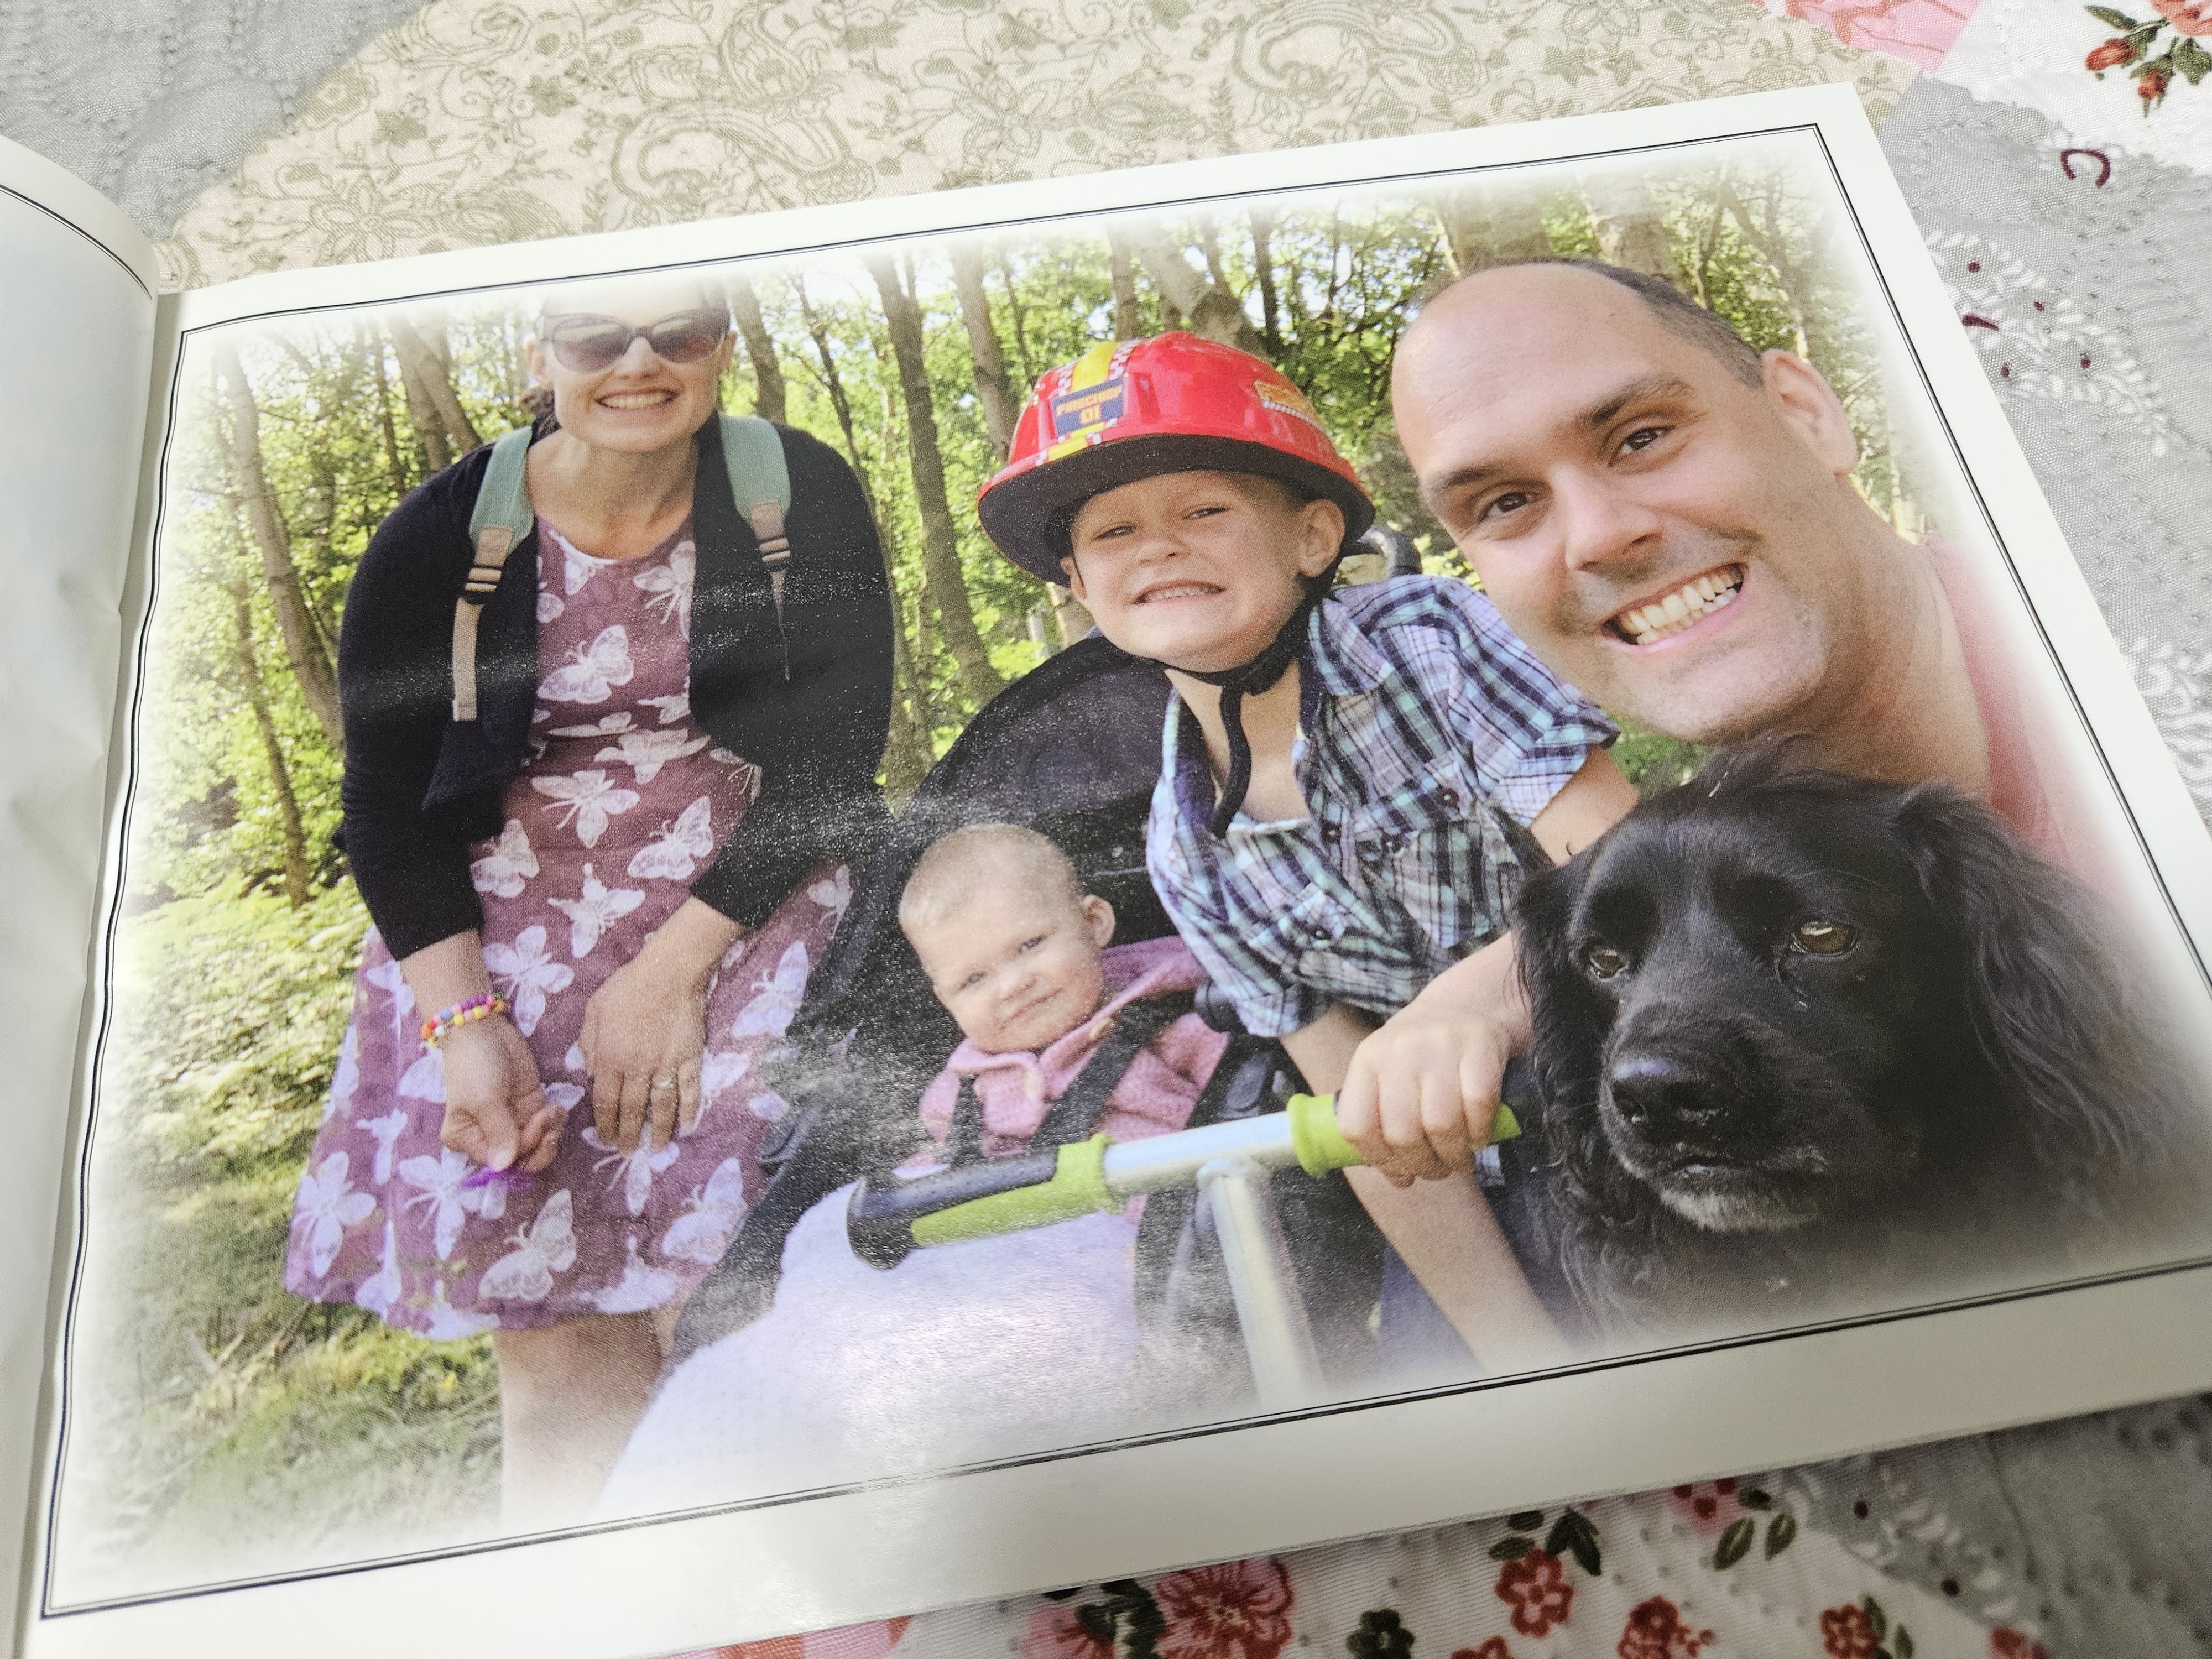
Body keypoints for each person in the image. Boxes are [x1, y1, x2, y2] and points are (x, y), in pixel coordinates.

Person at [281, 276, 893, 1522]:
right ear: (539, 354)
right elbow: (384, 807)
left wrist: (668, 977)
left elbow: (837, 759)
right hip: (502, 927)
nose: (638, 361)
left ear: (720, 344)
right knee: (557, 1334)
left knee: (746, 1295)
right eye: (596, 335)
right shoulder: (441, 537)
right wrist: (466, 1029)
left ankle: (785, 1583)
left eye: (676, 330)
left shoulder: (795, 489)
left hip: (749, 893)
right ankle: (583, 1596)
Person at [1370, 255, 2120, 1186]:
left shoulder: (2140, 668)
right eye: (1506, 503)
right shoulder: (1759, 834)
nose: (1598, 536)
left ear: (1808, 414)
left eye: (1642, 437)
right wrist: (1511, 980)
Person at [974, 333, 1634, 1368]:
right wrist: (1514, 1349)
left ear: (1314, 535)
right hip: (1472, 1177)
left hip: (1637, 1090)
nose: (1158, 548)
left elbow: (1635, 886)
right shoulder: (1186, 851)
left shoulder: (1433, 641)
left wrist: (1468, 1003)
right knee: (1467, 1390)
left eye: (1204, 510)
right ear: (1080, 587)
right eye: (1113, 531)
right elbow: (1362, 1122)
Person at [593, 824, 1232, 1514]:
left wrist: (1190, 1244)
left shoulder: (1182, 1021)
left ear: (1094, 922)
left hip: (1132, 1252)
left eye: (1030, 946)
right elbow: (930, 1183)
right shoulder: (960, 1086)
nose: (1013, 985)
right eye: (974, 979)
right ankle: (677, 1491)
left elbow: (1244, 1133)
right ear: (945, 997)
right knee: (816, 1270)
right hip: (985, 1268)